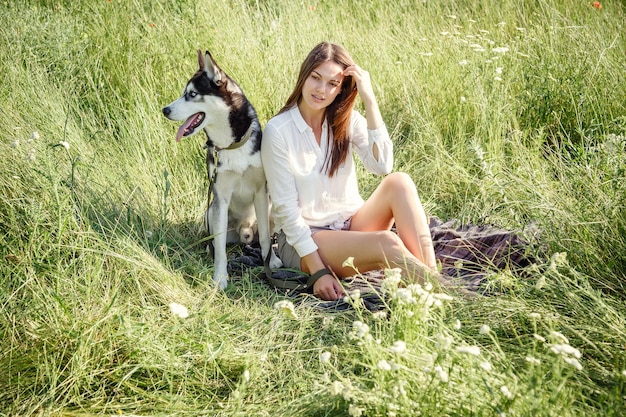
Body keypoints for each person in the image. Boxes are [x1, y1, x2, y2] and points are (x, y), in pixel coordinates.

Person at [261, 42, 438, 301]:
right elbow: (287, 212)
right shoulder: (278, 131)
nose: (321, 90)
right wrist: (318, 271)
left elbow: (382, 166)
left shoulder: (346, 120)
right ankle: (446, 291)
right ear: (304, 76)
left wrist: (369, 99)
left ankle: (429, 280)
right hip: (307, 241)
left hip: (350, 226)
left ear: (341, 88)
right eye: (316, 78)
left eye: (332, 83)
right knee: (387, 243)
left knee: (400, 181)